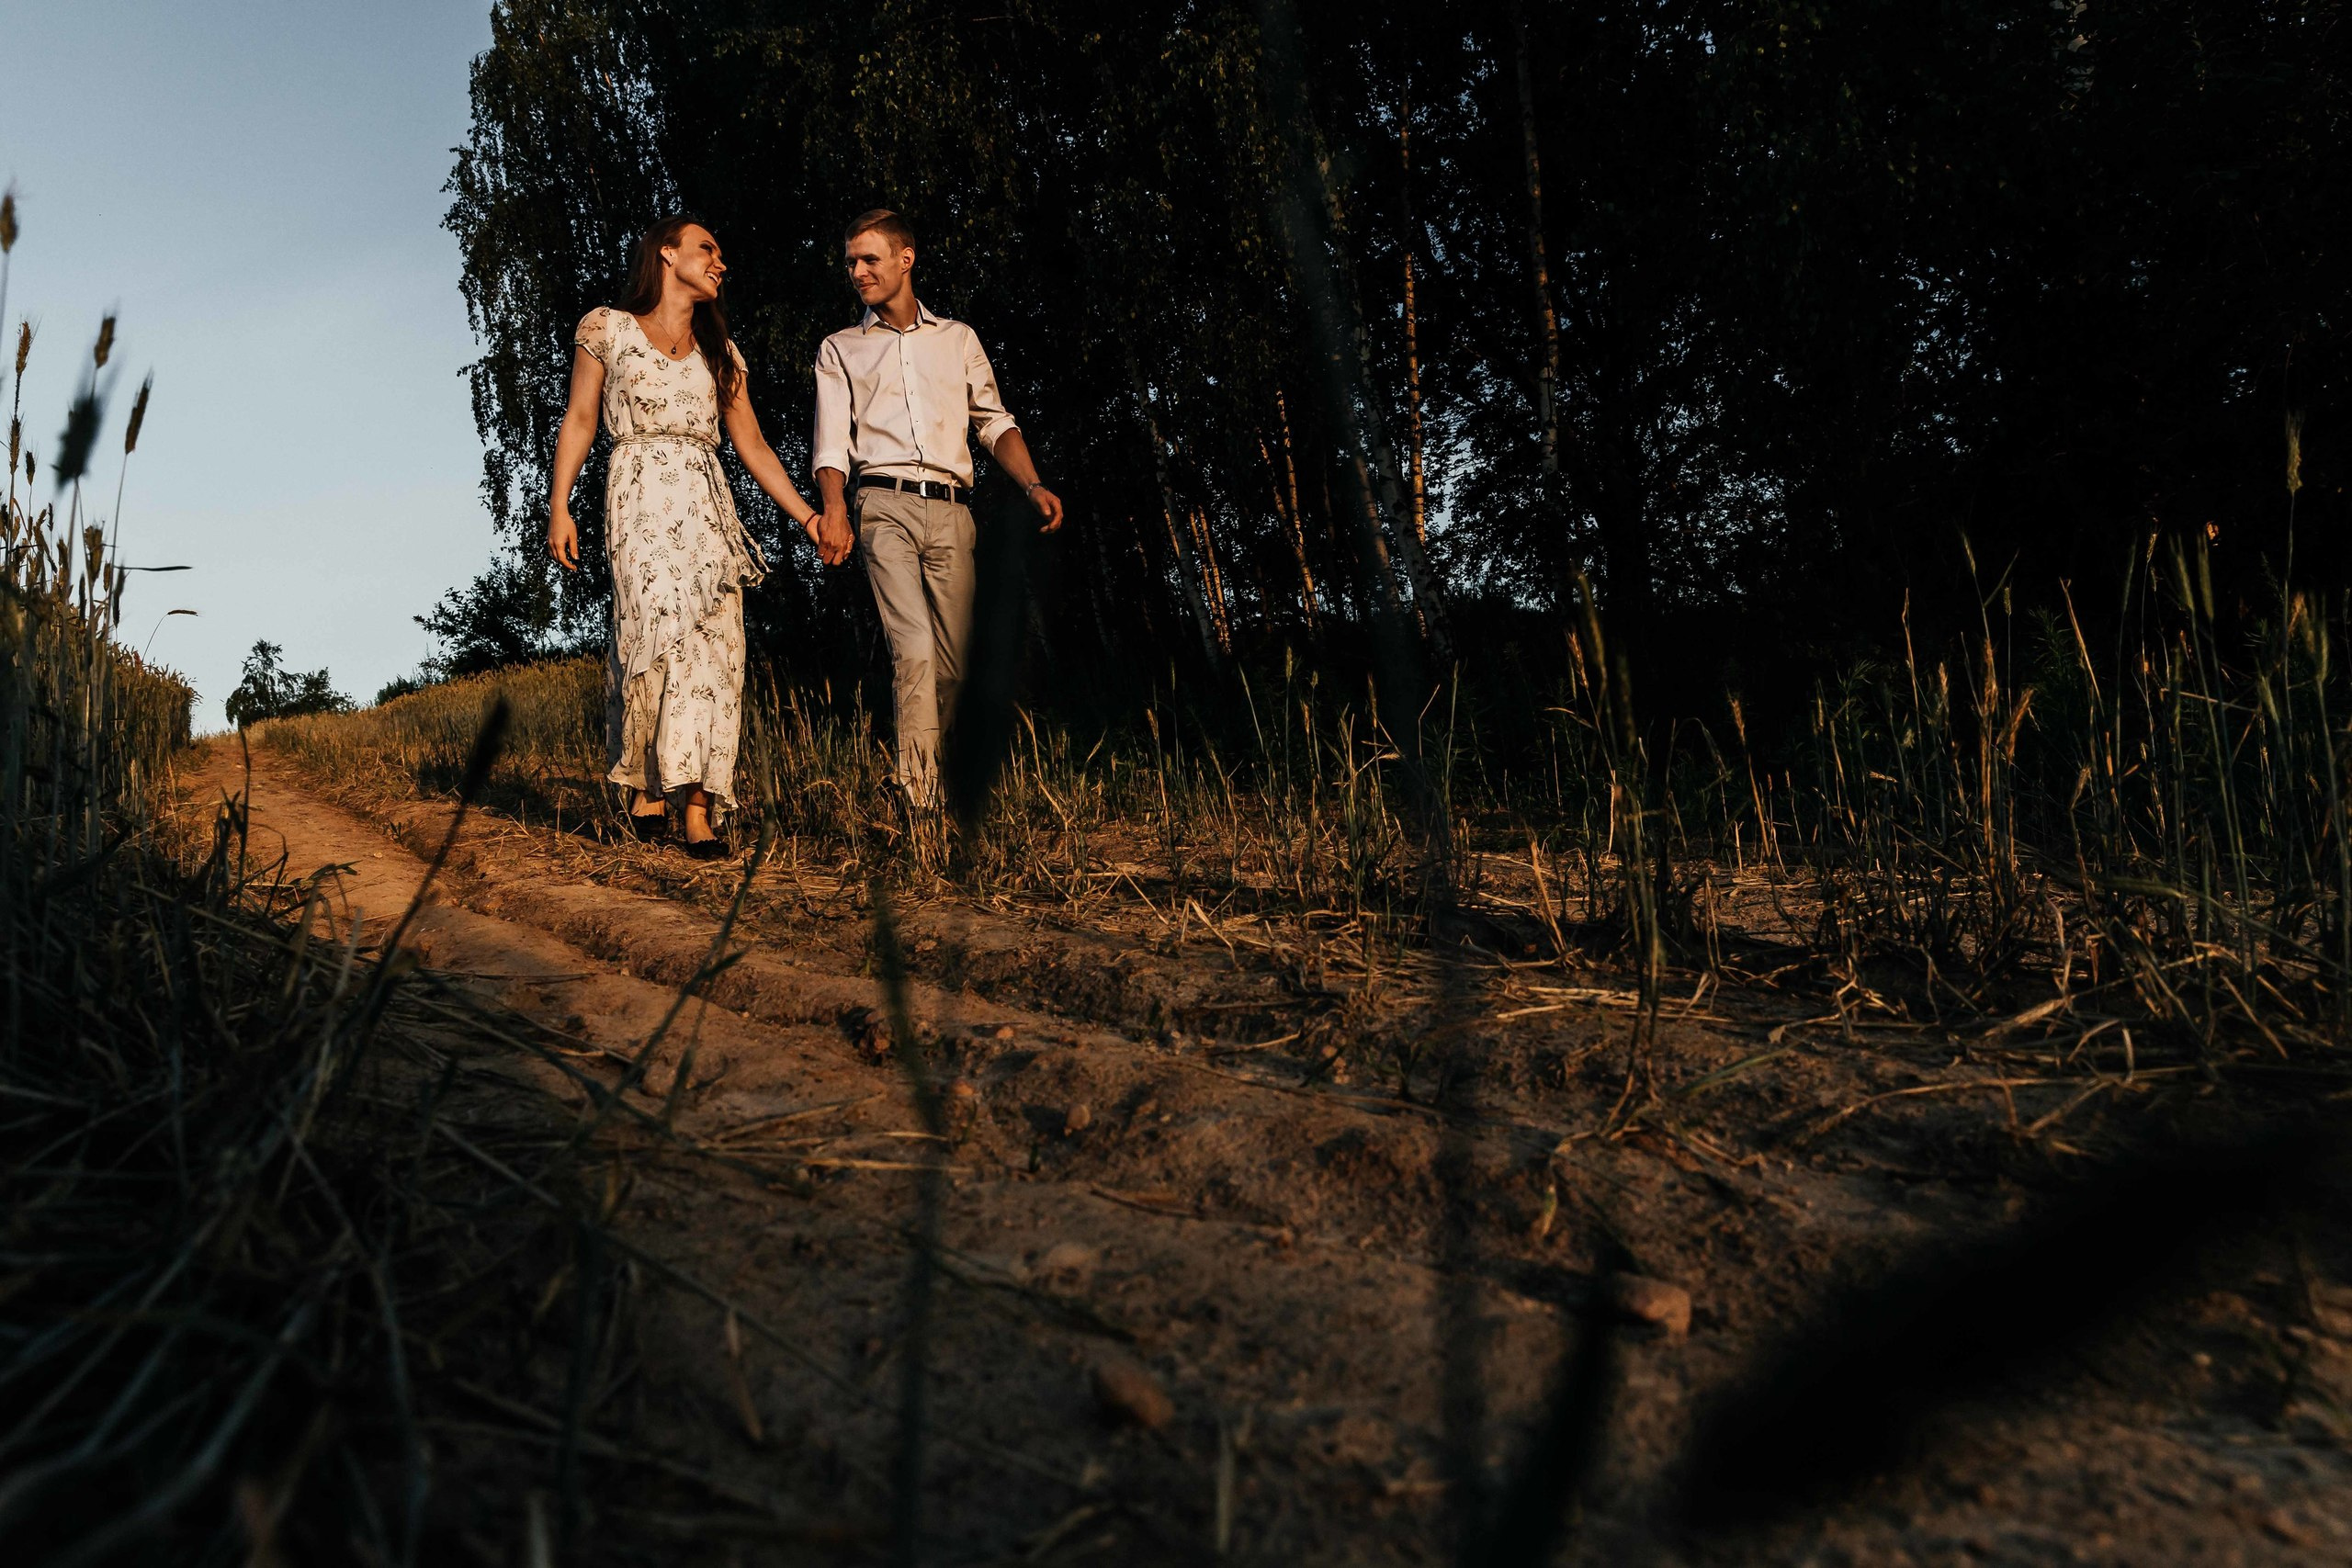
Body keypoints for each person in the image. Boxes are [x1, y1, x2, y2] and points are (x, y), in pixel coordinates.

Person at [548, 216, 820, 858]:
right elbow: (581, 418)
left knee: (714, 648)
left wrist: (808, 518)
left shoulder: (720, 352)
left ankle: (698, 809)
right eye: (708, 249)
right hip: (638, 494)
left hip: (705, 502)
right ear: (667, 254)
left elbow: (753, 445)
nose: (720, 262)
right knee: (651, 631)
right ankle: (647, 785)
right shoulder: (608, 329)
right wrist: (559, 505)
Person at [810, 209, 1064, 811]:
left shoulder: (958, 339)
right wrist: (834, 509)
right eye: (850, 262)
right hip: (882, 505)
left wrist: (1032, 484)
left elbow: (993, 422)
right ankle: (919, 798)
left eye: (870, 259)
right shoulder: (840, 349)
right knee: (914, 651)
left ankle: (928, 775)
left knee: (954, 664)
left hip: (953, 510)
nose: (858, 271)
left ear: (906, 258)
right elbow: (830, 442)